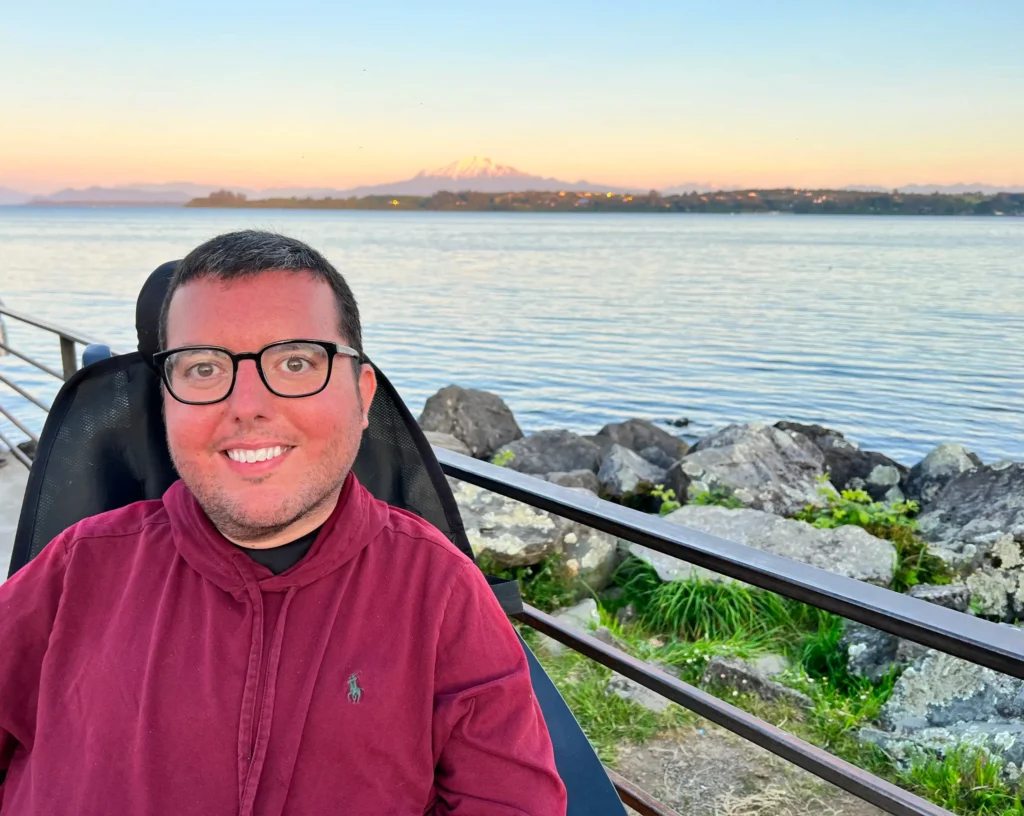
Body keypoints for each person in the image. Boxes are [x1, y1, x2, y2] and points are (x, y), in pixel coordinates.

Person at [0, 230, 567, 815]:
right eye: (202, 368)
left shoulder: (440, 593)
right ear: (165, 401)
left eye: (295, 362)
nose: (245, 405)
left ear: (362, 393)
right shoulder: (75, 567)